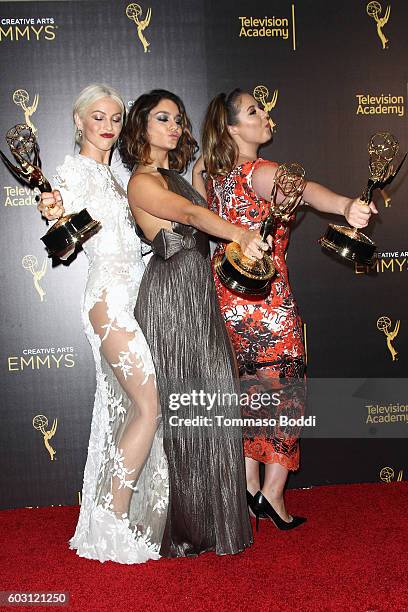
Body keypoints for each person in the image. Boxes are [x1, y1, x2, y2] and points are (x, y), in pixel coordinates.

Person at [193, 88, 378, 529]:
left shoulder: (211, 173)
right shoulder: (260, 171)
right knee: (284, 392)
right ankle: (274, 496)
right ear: (233, 128)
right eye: (254, 111)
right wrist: (347, 206)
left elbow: (203, 179)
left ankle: (250, 486)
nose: (266, 114)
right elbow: (306, 190)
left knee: (247, 393)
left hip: (225, 298)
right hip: (268, 302)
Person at [120, 89, 268, 557]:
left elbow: (202, 196)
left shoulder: (177, 176)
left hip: (198, 294)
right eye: (163, 118)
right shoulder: (143, 182)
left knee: (215, 403)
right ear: (141, 126)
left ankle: (215, 523)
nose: (175, 127)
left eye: (179, 120)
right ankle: (189, 529)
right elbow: (188, 214)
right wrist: (239, 234)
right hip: (170, 300)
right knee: (187, 413)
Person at [37, 84, 168, 563]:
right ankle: (111, 521)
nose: (109, 125)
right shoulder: (72, 172)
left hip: (135, 298)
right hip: (109, 300)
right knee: (147, 405)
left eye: (116, 117)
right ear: (79, 122)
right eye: (98, 116)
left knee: (135, 408)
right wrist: (53, 213)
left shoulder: (117, 176)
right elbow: (64, 243)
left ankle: (113, 515)